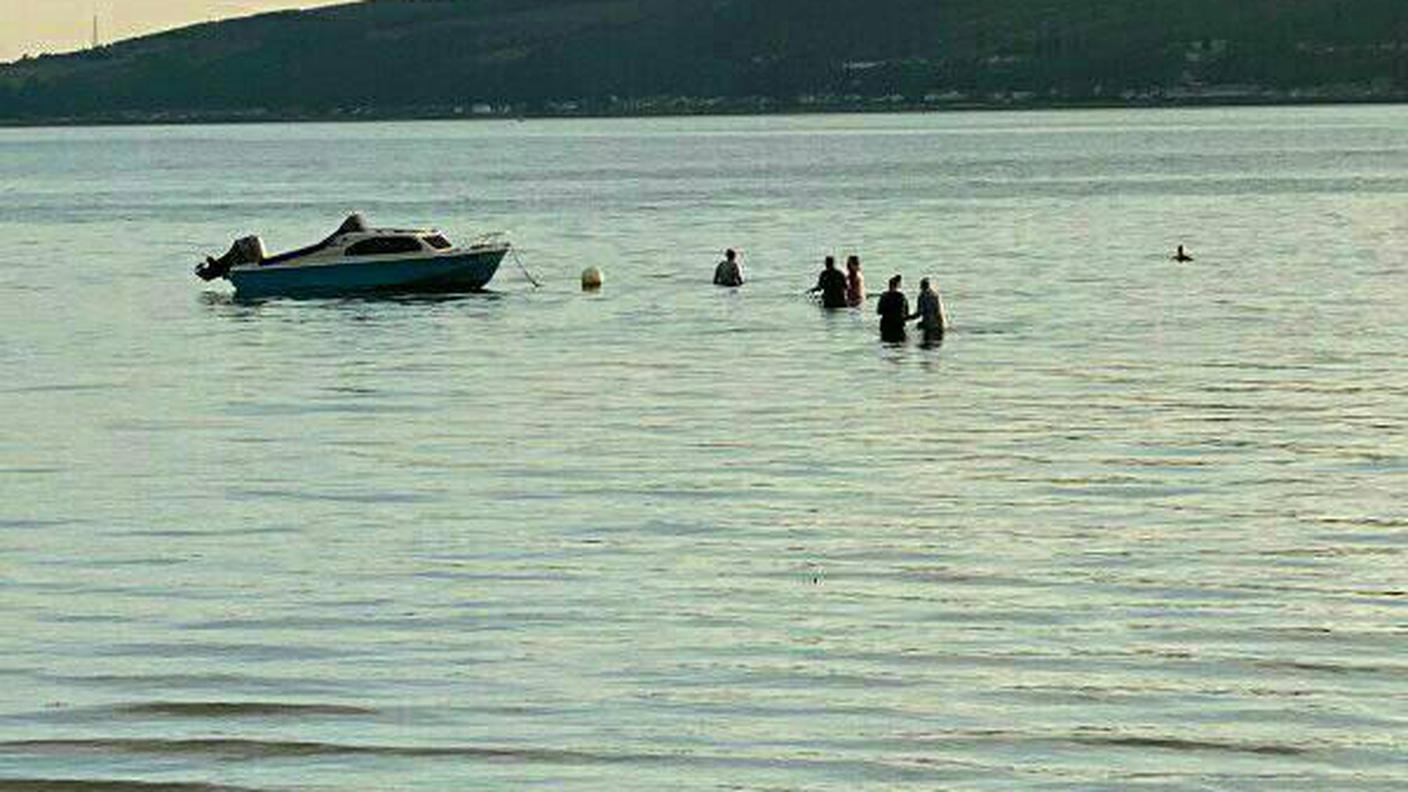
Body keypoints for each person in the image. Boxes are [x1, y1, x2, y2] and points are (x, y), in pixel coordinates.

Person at [912, 277, 948, 344]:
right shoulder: (935, 295)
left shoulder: (922, 296)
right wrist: (942, 324)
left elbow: (919, 313)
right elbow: (939, 311)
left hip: (929, 325)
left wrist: (906, 318)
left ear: (921, 286)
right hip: (937, 324)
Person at [876, 274, 910, 343]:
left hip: (886, 326)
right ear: (898, 285)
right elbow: (905, 313)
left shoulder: (884, 296)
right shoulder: (901, 297)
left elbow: (879, 311)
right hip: (898, 327)